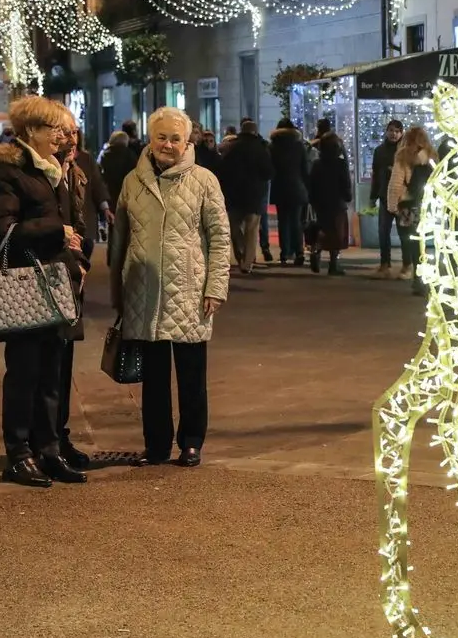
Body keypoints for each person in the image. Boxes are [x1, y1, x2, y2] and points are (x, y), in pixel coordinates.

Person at [109, 107, 232, 468]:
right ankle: (157, 444)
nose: (168, 144)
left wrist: (216, 287)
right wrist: (118, 291)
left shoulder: (205, 180)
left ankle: (192, 441)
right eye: (161, 137)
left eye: (176, 138)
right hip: (143, 290)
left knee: (192, 373)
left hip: (189, 289)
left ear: (188, 141)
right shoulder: (133, 180)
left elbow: (220, 237)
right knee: (154, 378)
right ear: (150, 138)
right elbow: (120, 237)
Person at [0, 96, 89, 488]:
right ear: (31, 132)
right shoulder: (5, 170)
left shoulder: (52, 169)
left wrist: (75, 249)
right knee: (24, 372)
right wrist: (56, 231)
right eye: (53, 129)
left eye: (62, 129)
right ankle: (18, 453)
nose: (61, 136)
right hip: (26, 284)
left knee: (53, 373)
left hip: (57, 281)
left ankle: (50, 450)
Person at [51, 112, 96, 468]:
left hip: (70, 277)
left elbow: (79, 224)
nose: (72, 138)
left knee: (63, 362)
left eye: (75, 131)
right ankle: (44, 442)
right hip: (46, 282)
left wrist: (81, 257)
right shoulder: (46, 175)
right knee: (45, 368)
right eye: (66, 132)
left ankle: (58, 436)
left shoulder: (75, 172)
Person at [220, 120, 274, 272]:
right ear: (255, 132)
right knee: (252, 229)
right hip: (255, 195)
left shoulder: (232, 147)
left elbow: (223, 170)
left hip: (234, 195)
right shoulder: (261, 148)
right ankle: (247, 263)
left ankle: (240, 253)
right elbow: (269, 172)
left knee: (234, 227)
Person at [388, 125, 435, 294]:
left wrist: (392, 205)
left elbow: (396, 182)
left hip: (408, 206)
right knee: (425, 242)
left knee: (411, 242)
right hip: (427, 205)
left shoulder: (403, 156)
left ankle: (417, 277)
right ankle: (426, 277)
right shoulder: (432, 156)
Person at [307, 128, 353, 276]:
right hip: (337, 203)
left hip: (320, 202)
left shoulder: (317, 164)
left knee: (324, 228)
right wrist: (347, 196)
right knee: (337, 233)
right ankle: (333, 264)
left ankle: (317, 248)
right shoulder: (340, 164)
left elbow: (311, 183)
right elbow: (345, 183)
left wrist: (312, 200)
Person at [269, 117, 310, 266]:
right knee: (296, 222)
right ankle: (299, 253)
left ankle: (284, 254)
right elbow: (305, 169)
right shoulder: (299, 146)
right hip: (297, 187)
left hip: (280, 187)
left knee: (283, 222)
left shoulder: (273, 146)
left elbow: (270, 168)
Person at [371, 120, 404, 279]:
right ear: (386, 131)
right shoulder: (379, 151)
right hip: (385, 197)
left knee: (404, 232)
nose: (394, 134)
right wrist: (373, 196)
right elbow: (375, 175)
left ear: (402, 133)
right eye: (391, 130)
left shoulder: (405, 151)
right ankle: (385, 263)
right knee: (383, 231)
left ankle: (407, 264)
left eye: (397, 131)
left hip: (403, 198)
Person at [100, 130, 139, 215]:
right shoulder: (130, 155)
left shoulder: (105, 155)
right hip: (126, 193)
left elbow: (101, 175)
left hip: (110, 193)